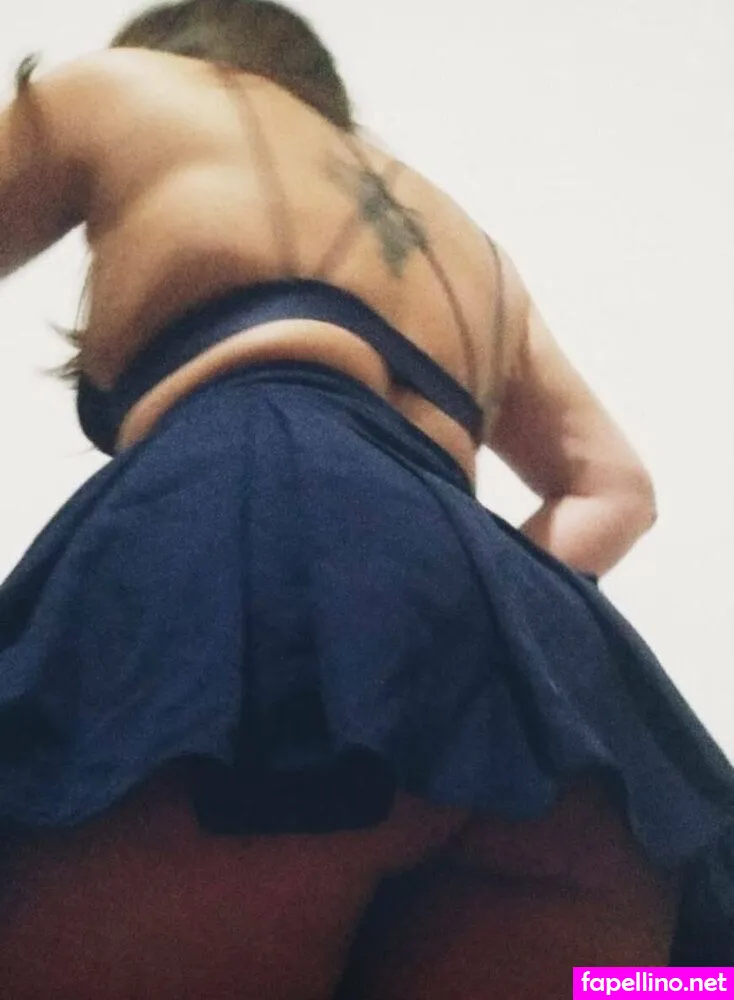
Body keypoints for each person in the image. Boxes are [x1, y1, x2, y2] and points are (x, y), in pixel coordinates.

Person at [0, 1, 731, 997]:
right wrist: (444, 628)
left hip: (252, 554)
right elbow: (613, 488)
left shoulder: (121, 89)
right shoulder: (474, 249)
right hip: (564, 732)